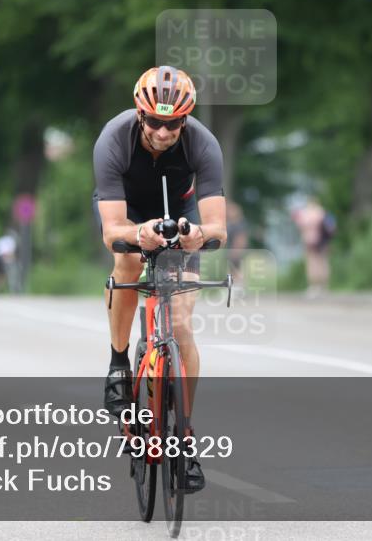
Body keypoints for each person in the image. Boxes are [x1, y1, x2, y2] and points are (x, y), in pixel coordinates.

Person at [92, 65, 227, 493]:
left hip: (181, 214)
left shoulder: (203, 143)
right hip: (129, 212)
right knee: (127, 265)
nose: (164, 131)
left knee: (182, 323)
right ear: (139, 115)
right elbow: (111, 231)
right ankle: (118, 364)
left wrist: (195, 236)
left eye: (172, 123)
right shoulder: (113, 140)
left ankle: (184, 440)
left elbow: (218, 229)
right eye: (154, 122)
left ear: (184, 120)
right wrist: (139, 234)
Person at [292, 197, 333, 298]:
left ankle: (314, 286)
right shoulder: (322, 212)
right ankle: (324, 286)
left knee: (312, 263)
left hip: (310, 241)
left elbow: (300, 224)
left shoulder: (306, 213)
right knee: (323, 262)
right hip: (323, 242)